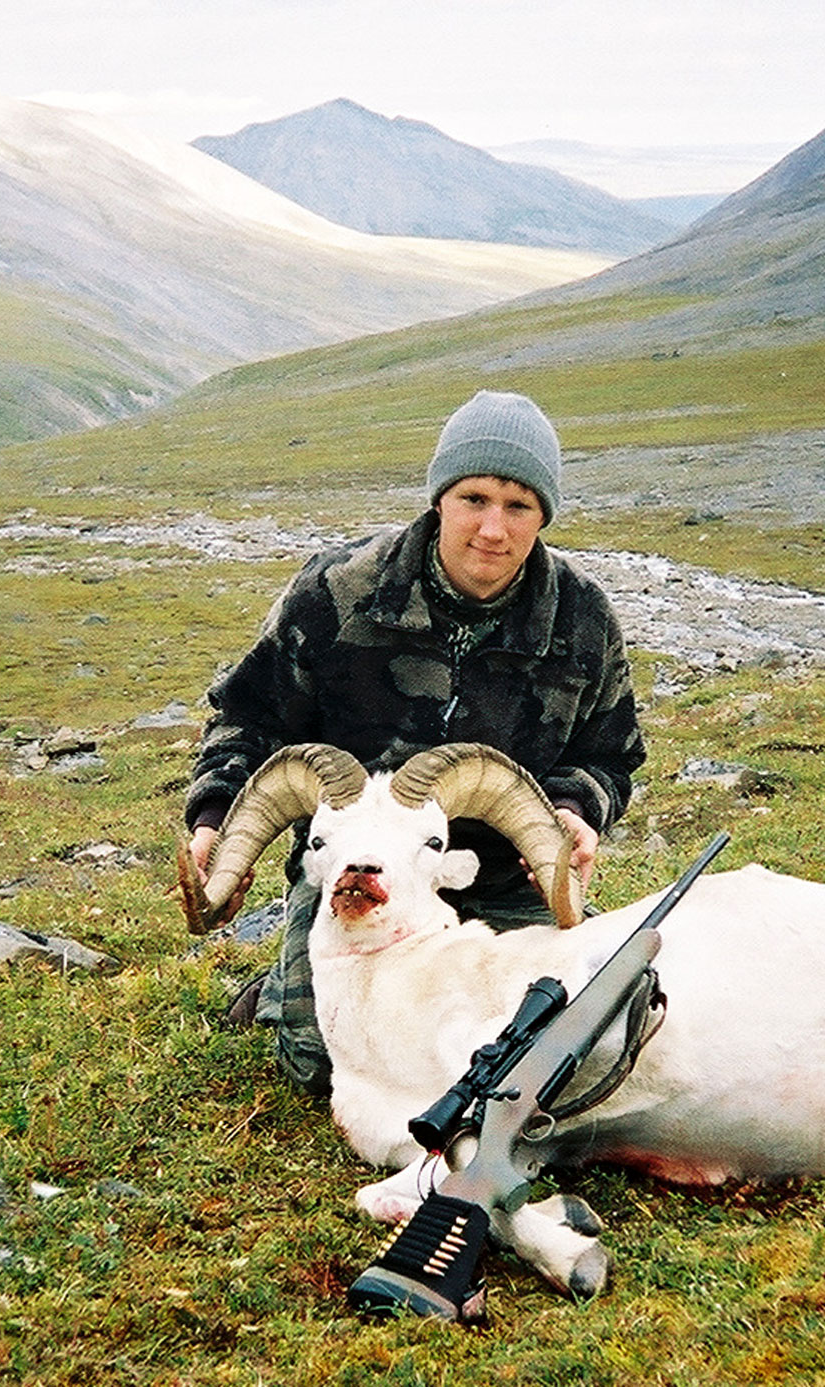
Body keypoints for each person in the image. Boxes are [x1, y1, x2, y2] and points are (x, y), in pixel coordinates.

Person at [183, 390, 646, 1096]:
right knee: (322, 1067)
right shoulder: (337, 591)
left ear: (543, 515)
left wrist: (576, 808)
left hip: (496, 878)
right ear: (440, 499)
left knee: (548, 1058)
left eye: (519, 506)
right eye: (474, 498)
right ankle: (286, 983)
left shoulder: (581, 618)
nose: (493, 527)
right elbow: (249, 716)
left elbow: (610, 752)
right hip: (360, 873)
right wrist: (216, 819)